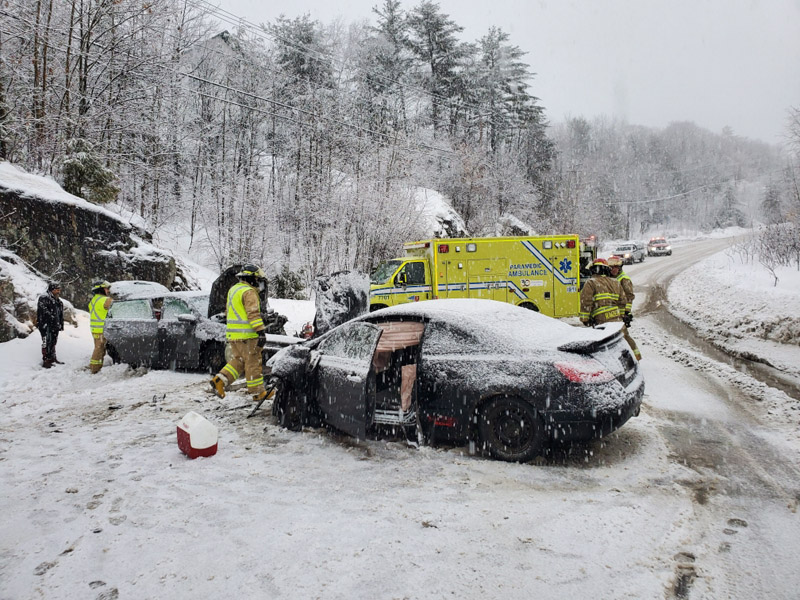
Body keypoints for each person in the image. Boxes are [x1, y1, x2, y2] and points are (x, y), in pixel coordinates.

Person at [209, 264, 270, 403]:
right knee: (253, 362)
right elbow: (252, 314)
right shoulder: (249, 292)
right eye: (258, 280)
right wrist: (260, 332)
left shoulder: (233, 290)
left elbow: (230, 312)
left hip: (233, 335)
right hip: (247, 336)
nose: (259, 283)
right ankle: (258, 393)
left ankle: (220, 381)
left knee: (239, 361)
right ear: (252, 278)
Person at [36, 281, 64, 368]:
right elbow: (43, 311)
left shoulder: (58, 300)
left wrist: (60, 324)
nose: (58, 291)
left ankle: (52, 358)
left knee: (53, 341)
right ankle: (46, 360)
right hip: (46, 325)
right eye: (56, 290)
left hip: (55, 325)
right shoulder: (44, 298)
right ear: (52, 289)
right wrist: (51, 319)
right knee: (46, 342)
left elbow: (60, 313)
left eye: (59, 289)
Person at [88, 279, 114, 373]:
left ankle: (97, 365)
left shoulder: (94, 300)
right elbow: (117, 308)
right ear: (101, 289)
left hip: (95, 329)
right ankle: (94, 368)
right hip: (102, 329)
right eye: (106, 289)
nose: (108, 291)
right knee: (99, 349)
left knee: (99, 348)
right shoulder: (106, 300)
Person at [607, 256, 634, 321]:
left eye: (615, 267)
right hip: (610, 312)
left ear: (619, 268)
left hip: (620, 312)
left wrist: (626, 312)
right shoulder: (608, 278)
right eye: (611, 267)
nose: (613, 269)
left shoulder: (624, 279)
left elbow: (629, 296)